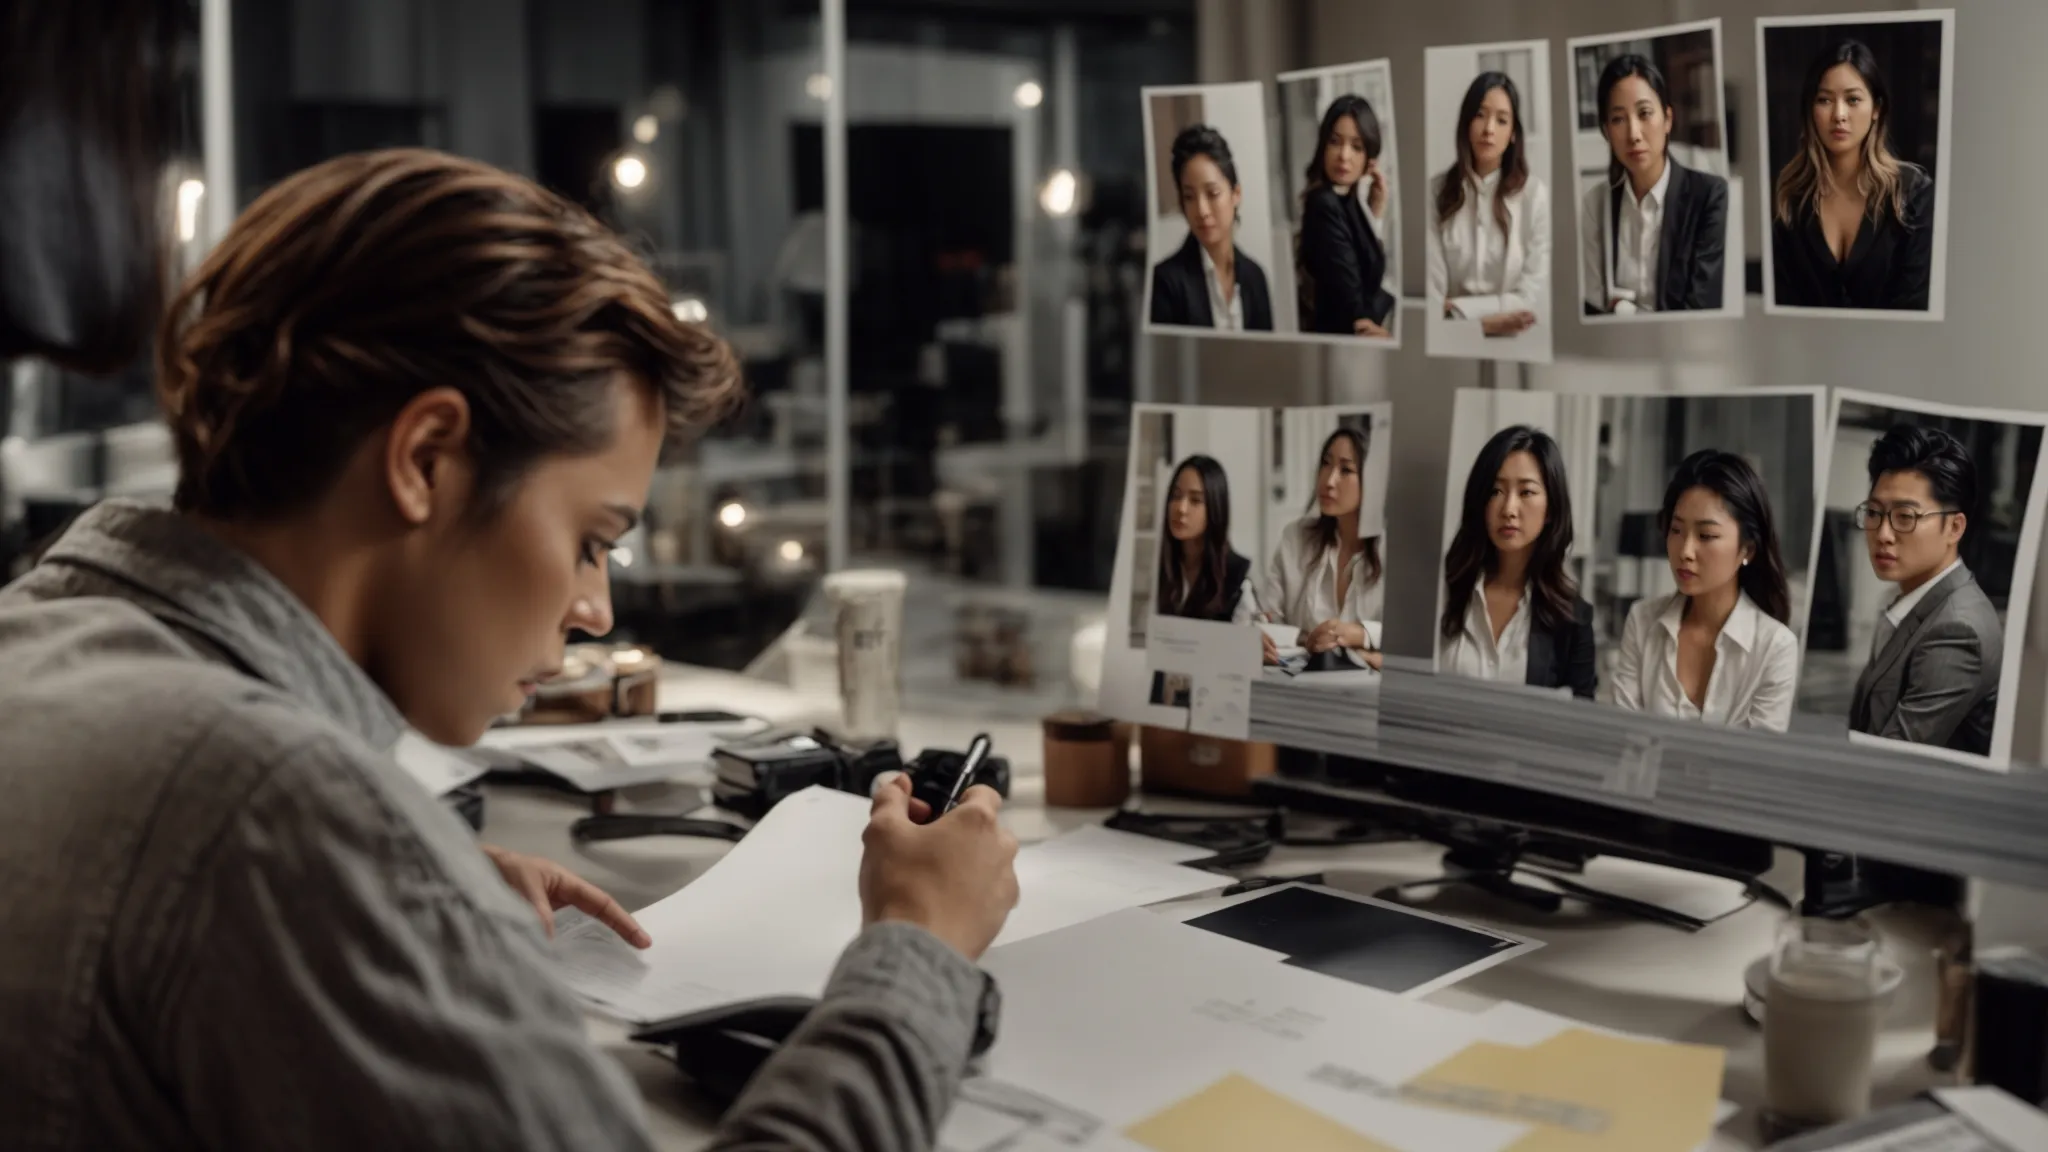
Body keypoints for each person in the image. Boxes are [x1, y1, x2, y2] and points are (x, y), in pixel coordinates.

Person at [0, 146, 1020, 1147]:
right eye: (589, 542)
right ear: (426, 458)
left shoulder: (40, 639)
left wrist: (403, 898)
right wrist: (916, 945)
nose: (595, 613)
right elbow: (263, 834)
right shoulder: (285, 823)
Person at [1606, 451, 1800, 732]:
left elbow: (1756, 764)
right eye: (1676, 530)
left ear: (1747, 548)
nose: (1685, 551)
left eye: (1706, 536)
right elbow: (1621, 736)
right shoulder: (1643, 621)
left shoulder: (1775, 647)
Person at [1849, 425, 2001, 756]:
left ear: (1954, 527)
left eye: (1905, 516)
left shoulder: (1958, 631)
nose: (1883, 533)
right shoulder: (1907, 598)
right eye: (1874, 513)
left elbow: (1892, 759)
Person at [1770, 39, 1935, 311]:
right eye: (1824, 100)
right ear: (1810, 110)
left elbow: (1915, 302)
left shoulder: (1911, 192)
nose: (1839, 114)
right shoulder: (1792, 196)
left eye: (1853, 99)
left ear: (1876, 109)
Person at [1438, 425, 1596, 697]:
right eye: (1495, 491)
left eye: (1526, 492)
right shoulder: (1443, 588)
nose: (1509, 509)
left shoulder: (1573, 617)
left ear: (1550, 509)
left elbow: (1582, 723)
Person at [1579, 54, 1729, 316]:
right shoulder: (1597, 203)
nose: (1634, 134)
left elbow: (1701, 309)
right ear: (1606, 131)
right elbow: (1593, 305)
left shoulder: (1709, 196)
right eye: (1618, 119)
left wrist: (1624, 308)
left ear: (1668, 119)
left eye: (1645, 113)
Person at [1427, 72, 1550, 339]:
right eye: (1480, 115)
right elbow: (1432, 297)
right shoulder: (1436, 193)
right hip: (1450, 341)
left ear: (1514, 133)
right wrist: (1488, 321)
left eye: (1502, 120)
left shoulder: (1535, 196)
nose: (1489, 129)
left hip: (1517, 340)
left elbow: (1531, 297)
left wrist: (1461, 309)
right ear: (1466, 122)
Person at [1257, 426, 1385, 670]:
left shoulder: (1392, 551)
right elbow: (1264, 619)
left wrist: (1362, 634)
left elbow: (1413, 639)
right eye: (1326, 464)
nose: (1329, 480)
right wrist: (1305, 639)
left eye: (1345, 470)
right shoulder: (1296, 538)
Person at [1149, 123, 1274, 331]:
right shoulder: (1165, 282)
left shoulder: (1255, 277)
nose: (1202, 210)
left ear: (1236, 194)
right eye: (1189, 197)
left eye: (1213, 193)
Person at [1295, 94, 1397, 337]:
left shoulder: (1346, 200)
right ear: (1323, 146)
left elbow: (1367, 279)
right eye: (1335, 141)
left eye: (1357, 146)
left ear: (1368, 159)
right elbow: (1356, 308)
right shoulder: (1323, 203)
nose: (1344, 155)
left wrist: (1375, 214)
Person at [1156, 454, 1255, 623]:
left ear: (1215, 508)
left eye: (1195, 500)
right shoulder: (1154, 567)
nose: (1181, 508)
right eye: (1176, 496)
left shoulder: (1235, 575)